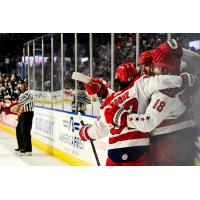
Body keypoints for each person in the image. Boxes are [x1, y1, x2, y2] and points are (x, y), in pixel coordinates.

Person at [79, 61, 190, 166]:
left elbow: (99, 129)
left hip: (114, 152)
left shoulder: (110, 101)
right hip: (138, 149)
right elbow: (161, 81)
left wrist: (85, 132)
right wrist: (183, 80)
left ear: (118, 80)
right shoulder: (140, 83)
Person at [110, 40, 199, 165]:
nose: (143, 70)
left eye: (148, 65)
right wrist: (173, 51)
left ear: (159, 64)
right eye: (141, 66)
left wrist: (122, 117)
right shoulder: (180, 72)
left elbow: (148, 122)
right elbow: (196, 60)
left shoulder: (163, 89)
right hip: (183, 137)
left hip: (168, 142)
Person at [15, 79, 34, 155]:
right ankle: (21, 146)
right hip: (22, 114)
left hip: (28, 114)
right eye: (20, 84)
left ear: (26, 85)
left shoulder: (29, 93)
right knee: (18, 130)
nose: (21, 86)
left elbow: (22, 102)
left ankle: (28, 148)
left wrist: (13, 105)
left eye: (23, 84)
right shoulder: (21, 93)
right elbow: (20, 105)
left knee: (25, 131)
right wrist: (18, 115)